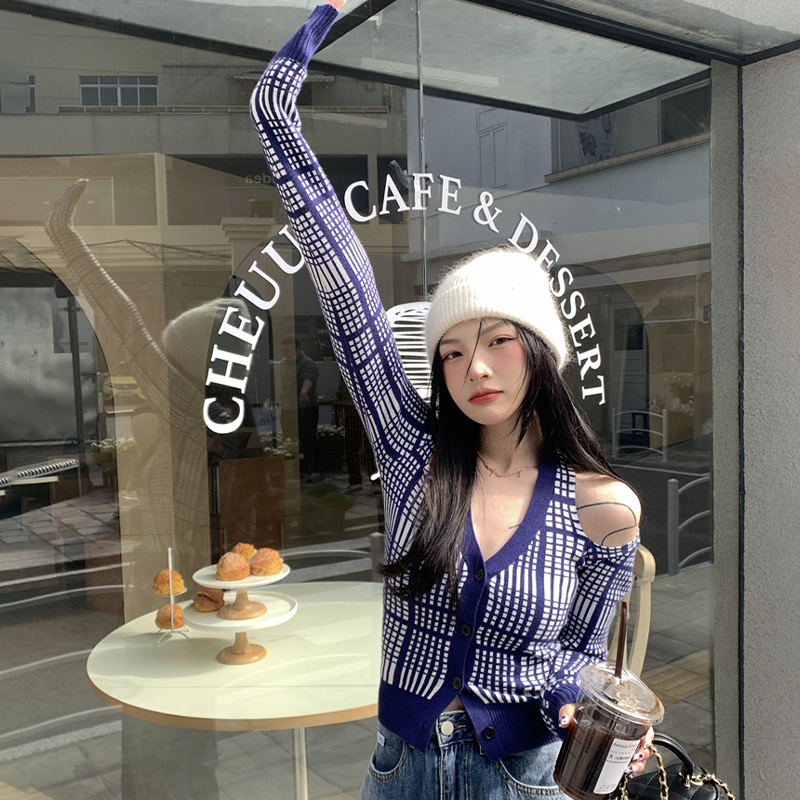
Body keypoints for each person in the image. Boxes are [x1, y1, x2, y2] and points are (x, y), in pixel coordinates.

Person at [250, 4, 652, 798]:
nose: (475, 368)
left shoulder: (604, 508)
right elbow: (342, 280)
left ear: (541, 353)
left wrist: (593, 713)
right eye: (453, 351)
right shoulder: (413, 454)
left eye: (499, 340)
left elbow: (581, 656)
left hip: (524, 779)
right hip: (403, 769)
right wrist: (293, 74)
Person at [279, 336, 320, 479]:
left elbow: (309, 377)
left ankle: (314, 468)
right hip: (288, 406)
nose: (286, 353)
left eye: (288, 350)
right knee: (290, 438)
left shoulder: (307, 363)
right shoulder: (283, 364)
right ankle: (298, 468)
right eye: (283, 350)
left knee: (308, 438)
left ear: (298, 349)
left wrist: (304, 392)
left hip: (304, 407)